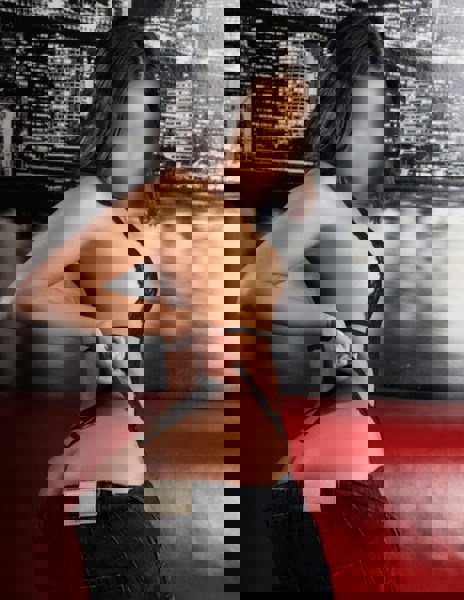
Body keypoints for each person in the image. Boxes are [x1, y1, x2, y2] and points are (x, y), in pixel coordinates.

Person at [15, 13, 397, 598]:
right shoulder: (87, 203)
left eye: (148, 120)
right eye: (130, 119)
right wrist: (121, 316)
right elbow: (28, 295)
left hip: (142, 444)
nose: (139, 136)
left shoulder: (139, 209)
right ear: (109, 118)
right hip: (108, 448)